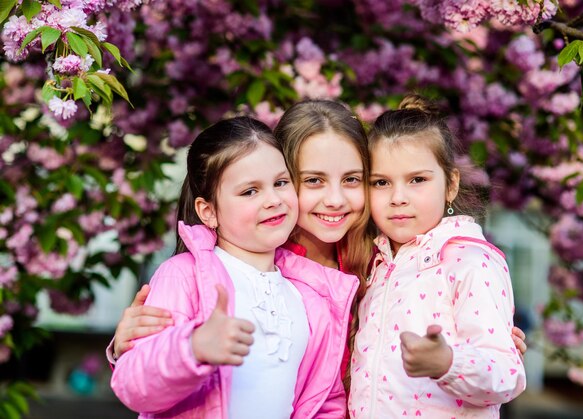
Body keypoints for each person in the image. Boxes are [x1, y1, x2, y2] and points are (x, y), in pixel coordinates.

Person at [107, 101, 528, 383]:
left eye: (353, 180)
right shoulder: (259, 260)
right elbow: (170, 349)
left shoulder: (381, 257)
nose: (335, 200)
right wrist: (126, 345)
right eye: (312, 181)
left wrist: (476, 349)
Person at [110, 116, 358, 418]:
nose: (273, 200)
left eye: (280, 183)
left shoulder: (311, 295)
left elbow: (324, 401)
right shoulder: (183, 276)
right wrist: (192, 347)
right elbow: (134, 385)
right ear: (208, 211)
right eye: (249, 191)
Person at [348, 95, 526, 418]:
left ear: (451, 184)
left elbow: (507, 373)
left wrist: (449, 363)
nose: (398, 198)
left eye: (417, 180)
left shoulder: (470, 261)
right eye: (381, 183)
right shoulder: (376, 263)